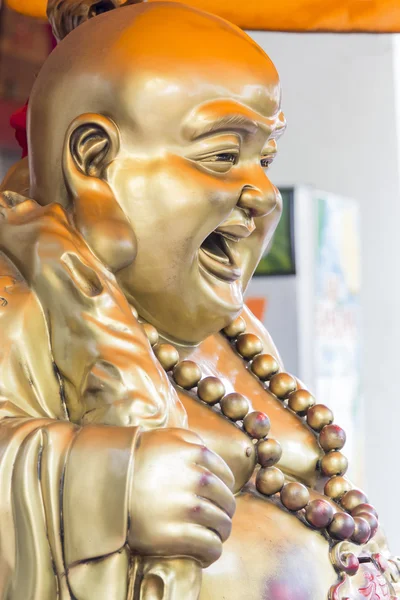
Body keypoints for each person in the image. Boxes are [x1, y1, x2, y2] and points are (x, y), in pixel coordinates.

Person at [0, 2, 398, 598]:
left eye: (266, 159)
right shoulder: (25, 309)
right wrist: (111, 481)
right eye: (221, 156)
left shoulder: (231, 337)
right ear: (92, 160)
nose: (263, 195)